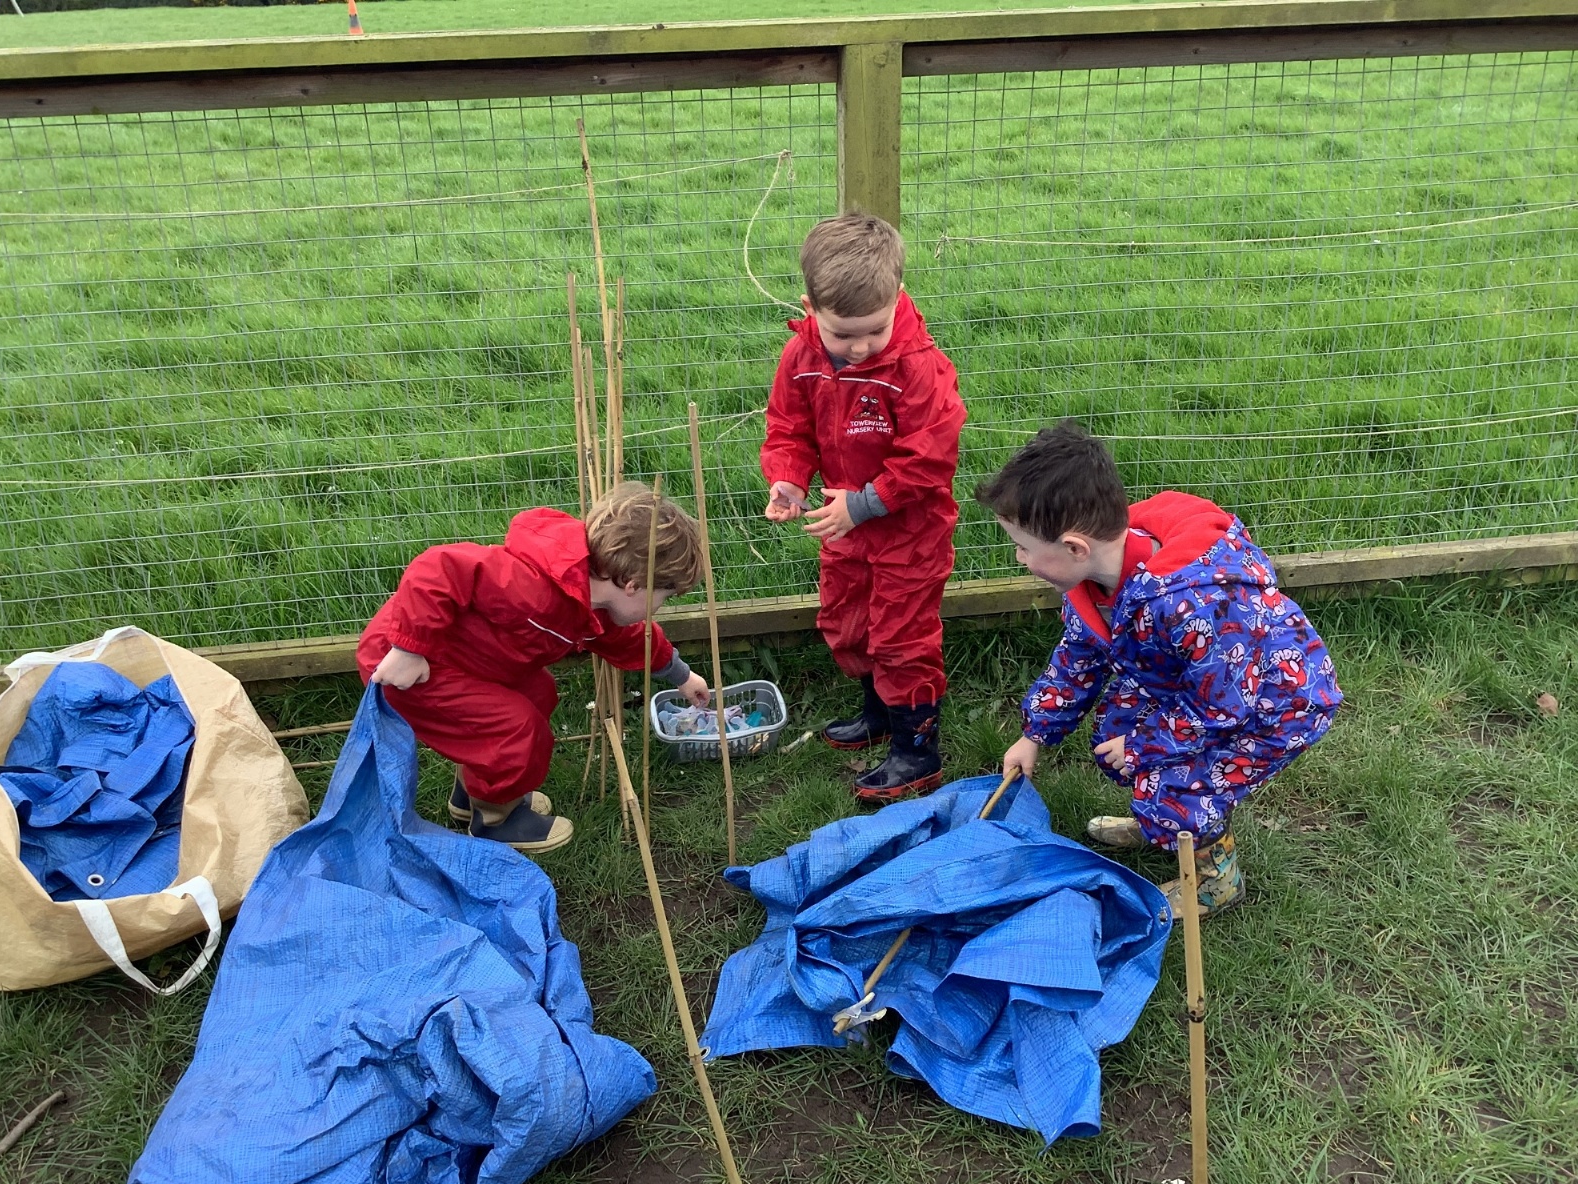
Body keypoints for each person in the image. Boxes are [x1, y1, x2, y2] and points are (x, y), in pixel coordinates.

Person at [981, 420, 1341, 917]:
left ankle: (1214, 877)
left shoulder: (1195, 602)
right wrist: (1034, 735)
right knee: (1118, 733)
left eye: (1024, 547)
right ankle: (1165, 823)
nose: (1019, 558)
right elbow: (1077, 659)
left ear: (1075, 548)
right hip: (1193, 685)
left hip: (1276, 703)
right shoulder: (1093, 581)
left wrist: (1143, 747)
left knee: (1177, 781)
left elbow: (1224, 705)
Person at [357, 482, 711, 853]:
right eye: (662, 599)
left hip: (465, 660)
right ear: (634, 586)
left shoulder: (589, 602)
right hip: (411, 665)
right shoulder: (529, 584)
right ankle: (496, 821)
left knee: (538, 693)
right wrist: (408, 648)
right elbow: (439, 568)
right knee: (514, 728)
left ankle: (473, 797)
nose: (658, 609)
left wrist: (681, 676)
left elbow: (627, 639)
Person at [761, 212, 967, 801]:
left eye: (874, 331)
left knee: (902, 636)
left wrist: (868, 502)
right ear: (811, 308)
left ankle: (916, 752)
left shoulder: (917, 367)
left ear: (897, 295)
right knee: (848, 622)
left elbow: (929, 456)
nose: (859, 346)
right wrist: (789, 480)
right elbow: (788, 427)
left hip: (909, 531)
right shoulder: (801, 357)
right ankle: (879, 713)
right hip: (843, 526)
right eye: (843, 334)